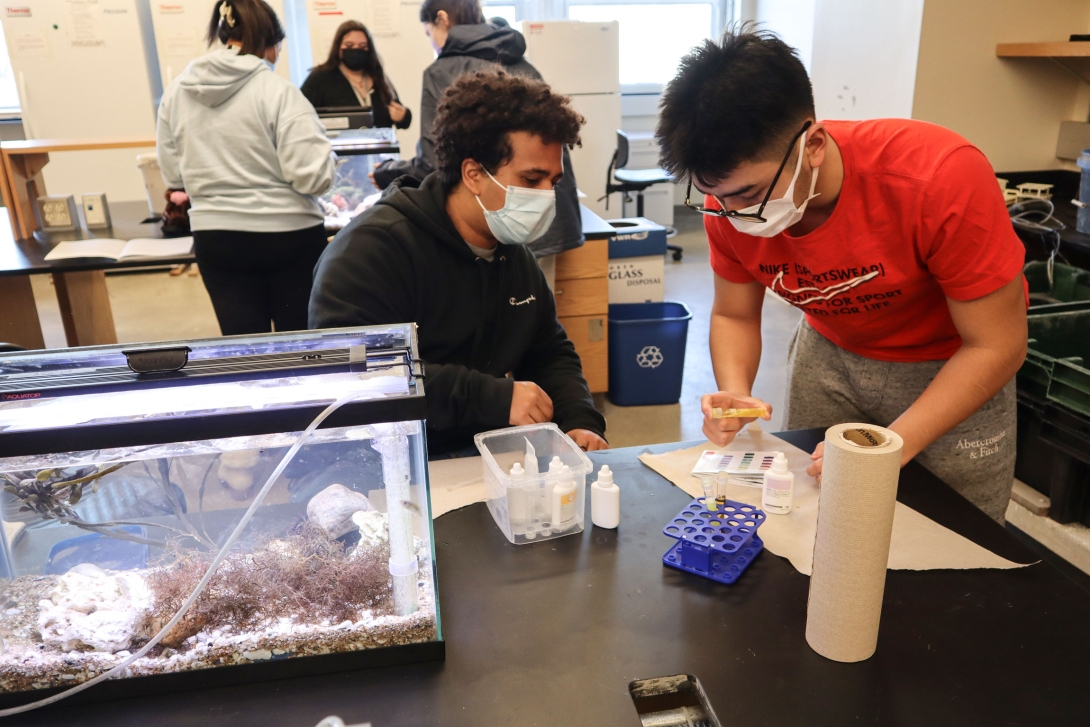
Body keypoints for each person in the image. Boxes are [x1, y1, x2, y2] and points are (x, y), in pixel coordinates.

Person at [655, 27, 1028, 522]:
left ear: (812, 145)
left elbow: (997, 345)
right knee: (816, 523)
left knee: (957, 538)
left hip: (951, 368)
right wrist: (736, 393)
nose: (734, 213)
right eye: (717, 196)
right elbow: (734, 314)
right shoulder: (728, 206)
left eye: (749, 194)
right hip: (830, 358)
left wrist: (896, 443)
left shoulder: (938, 178)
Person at [309, 70, 608, 457]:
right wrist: (492, 398)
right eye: (531, 179)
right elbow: (357, 373)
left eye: (553, 181)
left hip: (481, 457)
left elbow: (547, 349)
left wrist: (579, 419)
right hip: (380, 464)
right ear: (473, 174)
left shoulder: (512, 255)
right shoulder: (372, 251)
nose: (547, 196)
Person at [157, 0, 334, 336]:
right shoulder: (279, 92)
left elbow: (173, 176)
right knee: (301, 346)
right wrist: (329, 159)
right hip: (290, 237)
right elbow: (312, 177)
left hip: (218, 238)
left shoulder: (177, 91)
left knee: (244, 350)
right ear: (270, 44)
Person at [371, 0, 582, 258]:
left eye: (429, 34)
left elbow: (431, 161)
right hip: (547, 225)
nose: (433, 43)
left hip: (489, 224)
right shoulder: (519, 60)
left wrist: (388, 172)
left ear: (442, 19)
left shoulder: (441, 71)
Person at [300, 20, 412, 130]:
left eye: (362, 47)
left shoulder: (378, 76)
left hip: (380, 146)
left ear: (369, 49)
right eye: (349, 46)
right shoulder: (320, 78)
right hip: (337, 147)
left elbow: (401, 116)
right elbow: (298, 115)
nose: (356, 50)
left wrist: (404, 116)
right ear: (338, 48)